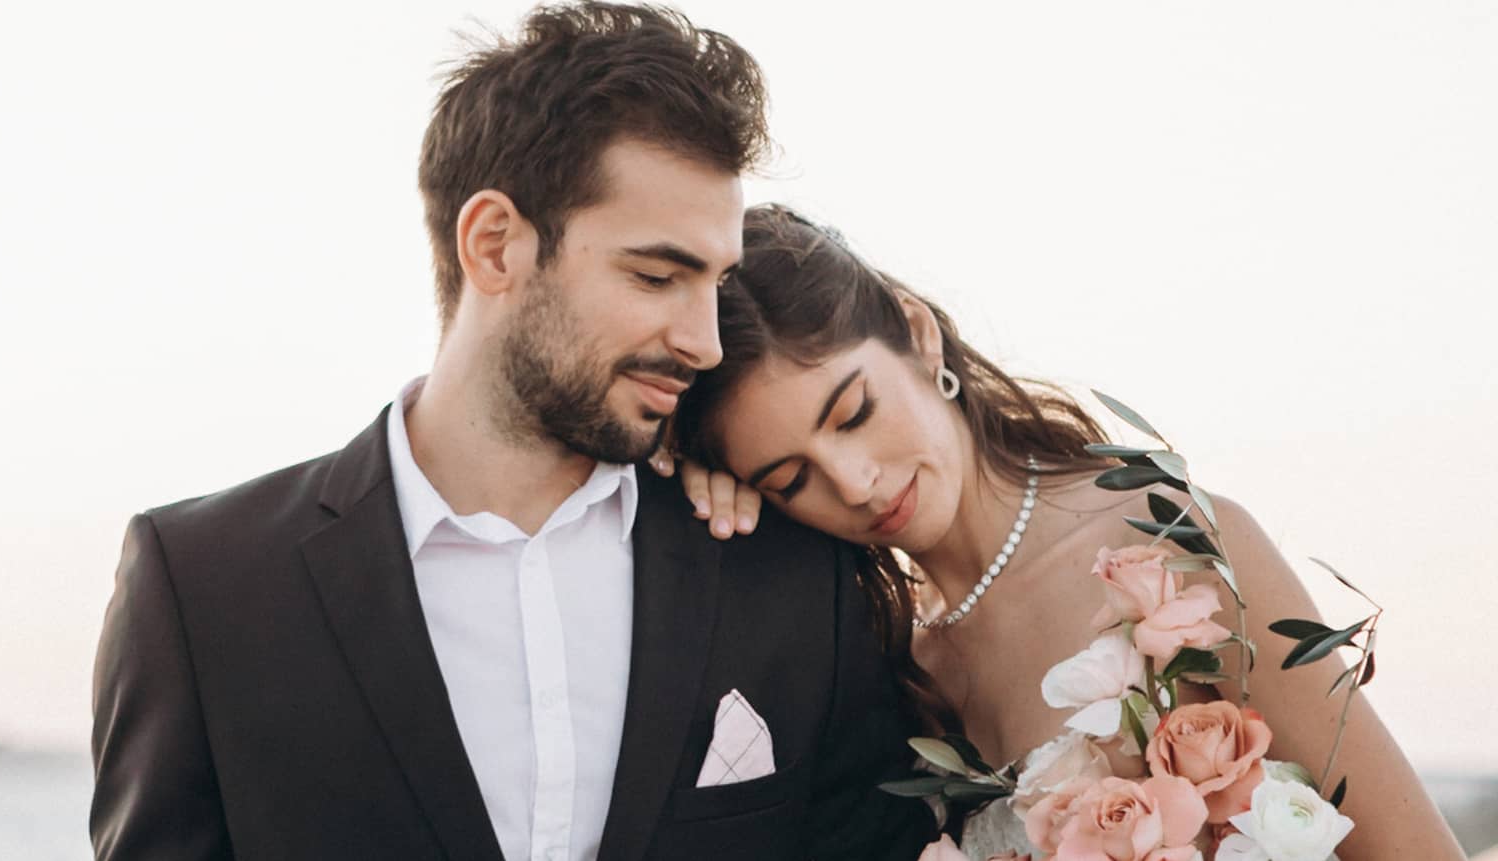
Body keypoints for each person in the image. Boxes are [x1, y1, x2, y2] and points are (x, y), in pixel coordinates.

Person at [89, 7, 936, 860]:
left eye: (716, 283)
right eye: (657, 275)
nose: (705, 340)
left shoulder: (789, 578)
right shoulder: (204, 587)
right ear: (494, 246)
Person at [668, 204, 1465, 859]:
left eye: (855, 413)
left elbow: (1415, 851)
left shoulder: (1168, 541)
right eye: (790, 479)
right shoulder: (895, 674)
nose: (853, 481)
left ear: (916, 334)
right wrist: (684, 495)